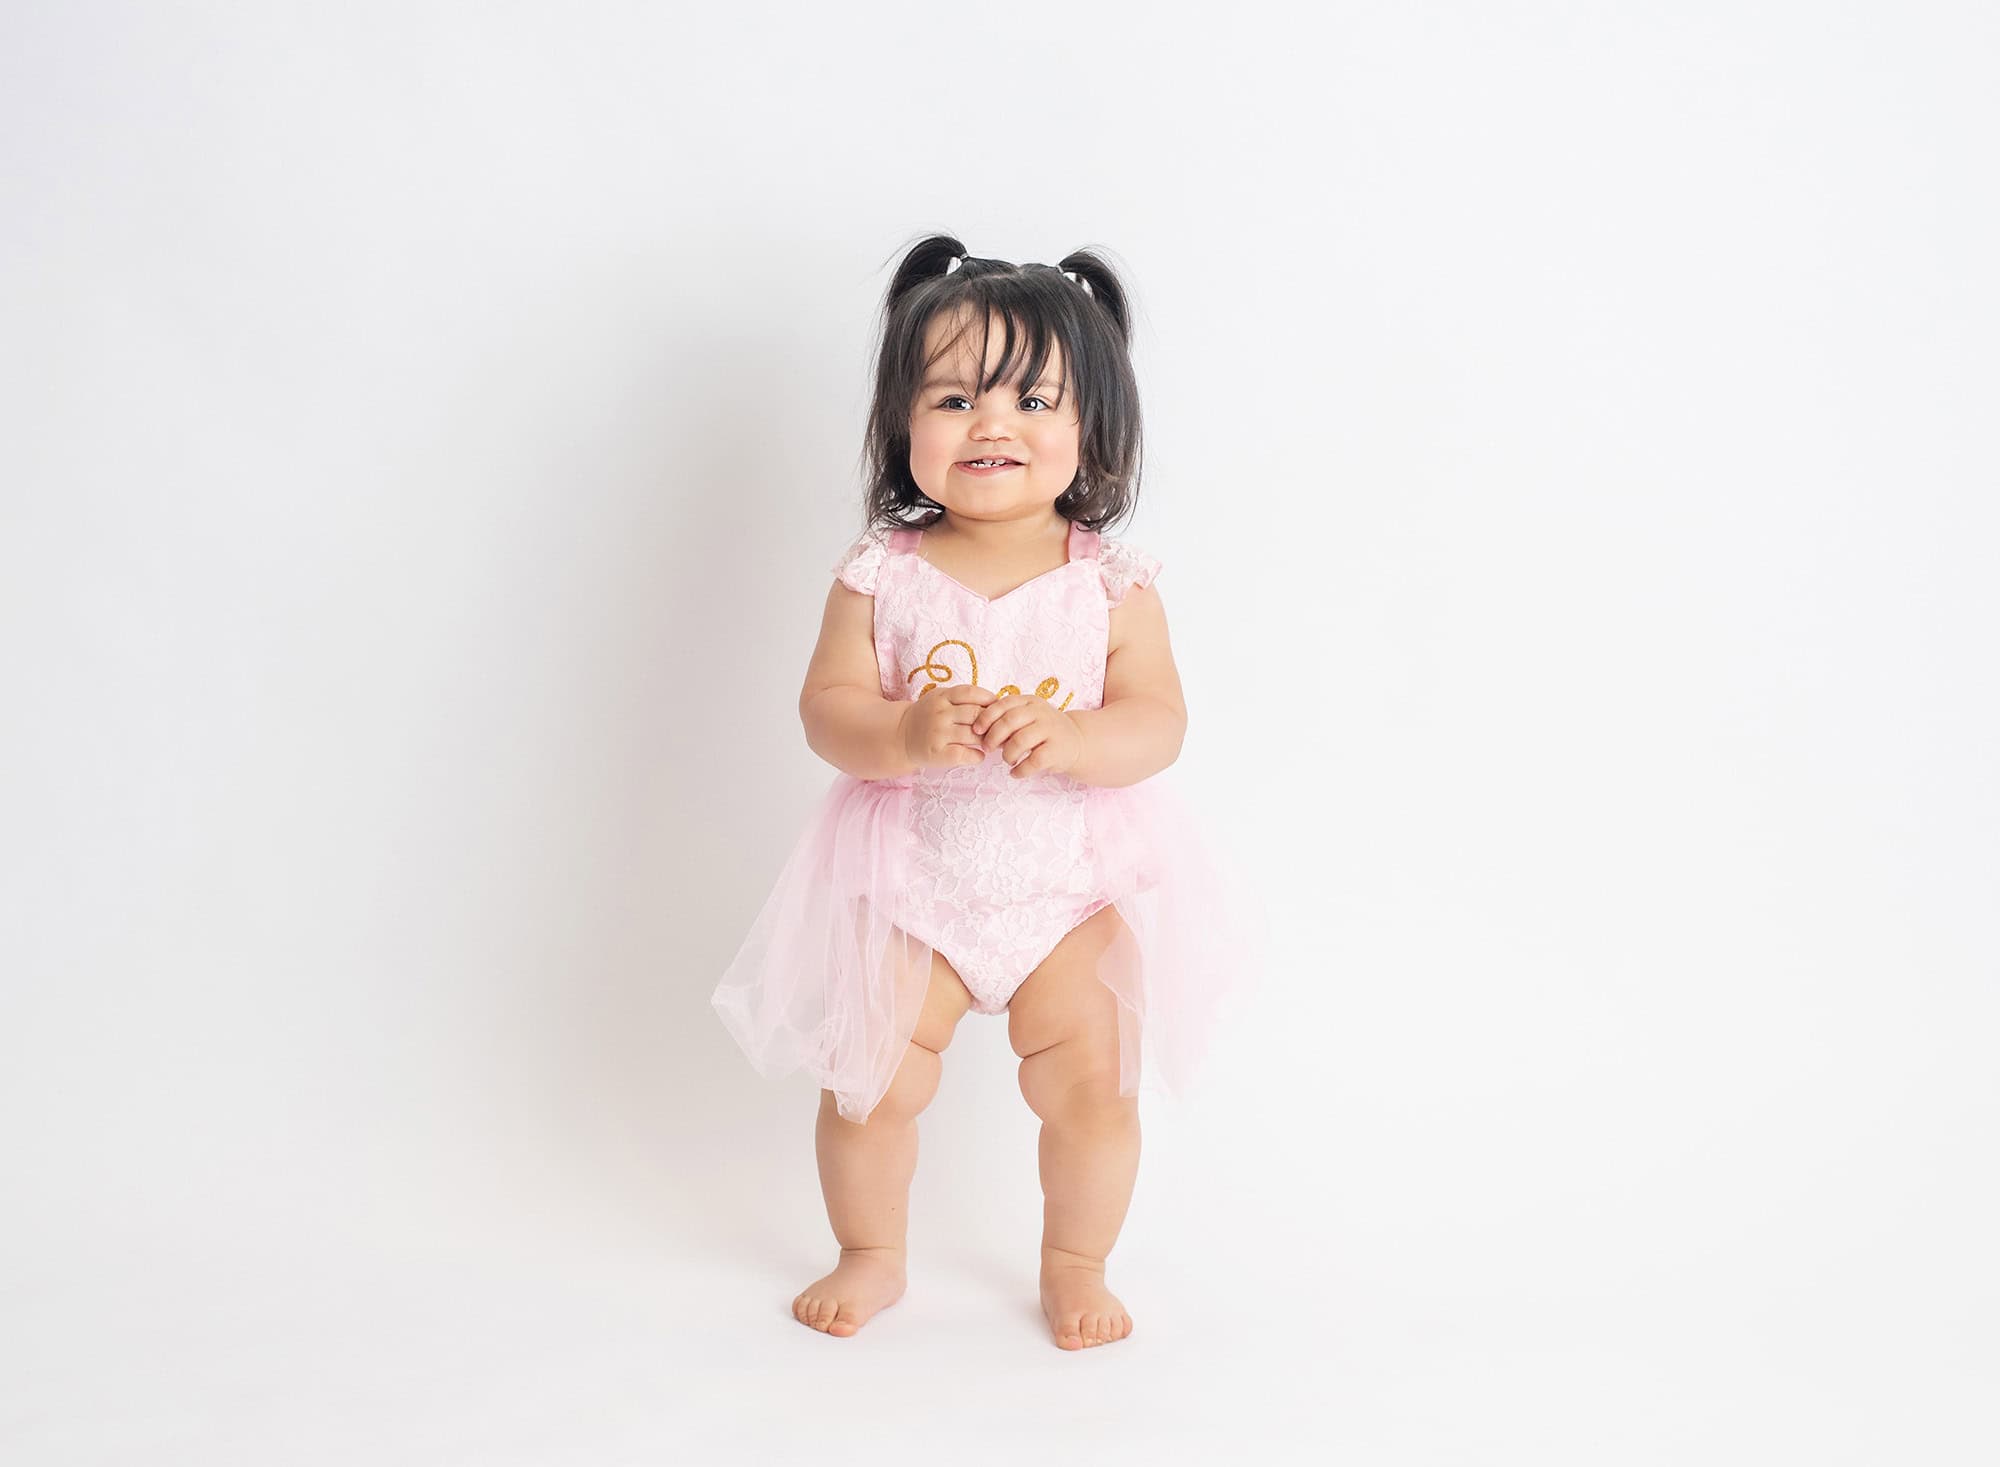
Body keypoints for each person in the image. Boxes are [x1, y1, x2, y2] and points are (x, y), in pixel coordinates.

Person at [710, 233, 1266, 1350]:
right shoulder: (881, 572)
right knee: (866, 1085)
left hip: (1067, 889)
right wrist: (902, 730)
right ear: (901, 424)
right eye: (953, 397)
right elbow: (825, 711)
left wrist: (1074, 735)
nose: (990, 425)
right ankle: (868, 1253)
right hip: (914, 881)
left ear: (1088, 429)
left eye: (1030, 400)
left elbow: (1158, 723)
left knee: (1095, 1090)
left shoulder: (1109, 584)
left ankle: (1074, 1260)